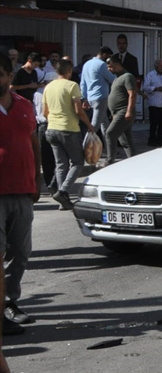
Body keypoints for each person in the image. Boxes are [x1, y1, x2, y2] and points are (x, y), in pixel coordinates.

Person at [0, 59, 40, 336]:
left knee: (21, 252)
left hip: (22, 190)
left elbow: (34, 143)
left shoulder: (25, 106)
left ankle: (9, 302)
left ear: (9, 76)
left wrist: (37, 179)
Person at [42, 59, 92, 211]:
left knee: (61, 164)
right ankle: (63, 191)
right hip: (68, 129)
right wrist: (89, 125)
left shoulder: (48, 87)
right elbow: (78, 110)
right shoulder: (72, 85)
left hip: (51, 129)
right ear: (69, 71)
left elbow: (45, 112)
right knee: (77, 162)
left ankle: (62, 199)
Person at [105, 55, 138, 164]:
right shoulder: (116, 78)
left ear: (117, 64)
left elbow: (132, 94)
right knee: (125, 139)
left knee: (110, 133)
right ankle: (134, 162)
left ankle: (109, 161)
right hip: (117, 112)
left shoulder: (127, 76)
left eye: (110, 66)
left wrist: (129, 111)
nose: (109, 69)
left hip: (124, 111)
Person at [80, 46, 115, 140]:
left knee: (105, 125)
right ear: (104, 55)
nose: (108, 60)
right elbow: (112, 79)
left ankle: (110, 149)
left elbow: (83, 82)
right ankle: (85, 148)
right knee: (94, 126)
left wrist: (84, 98)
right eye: (108, 56)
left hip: (91, 97)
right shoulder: (102, 65)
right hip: (100, 97)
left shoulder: (87, 64)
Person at [142, 59, 162, 147]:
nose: (161, 67)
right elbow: (145, 87)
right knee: (154, 123)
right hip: (154, 103)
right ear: (156, 66)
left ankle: (160, 140)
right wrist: (156, 89)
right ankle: (152, 140)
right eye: (160, 65)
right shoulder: (150, 75)